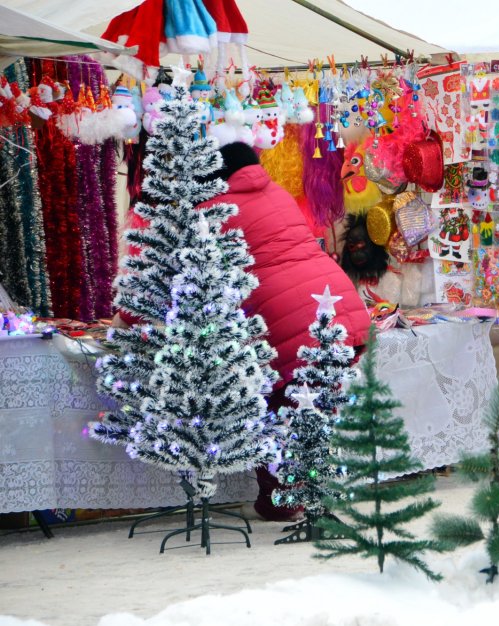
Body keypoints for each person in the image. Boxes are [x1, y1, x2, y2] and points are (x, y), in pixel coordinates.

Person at [115, 141, 371, 520]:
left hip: (290, 323)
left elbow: (165, 277)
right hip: (339, 308)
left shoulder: (210, 209)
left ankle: (283, 501)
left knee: (278, 412)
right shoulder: (278, 194)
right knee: (310, 411)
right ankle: (309, 492)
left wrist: (127, 320)